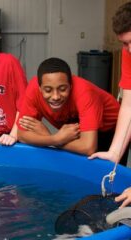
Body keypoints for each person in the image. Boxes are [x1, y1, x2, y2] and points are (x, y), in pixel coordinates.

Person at [17, 57, 123, 161]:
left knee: (108, 174)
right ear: (39, 88)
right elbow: (22, 135)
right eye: (48, 90)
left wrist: (51, 138)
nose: (56, 97)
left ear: (70, 86)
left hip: (112, 129)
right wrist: (55, 139)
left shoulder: (84, 93)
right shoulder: (33, 90)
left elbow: (88, 147)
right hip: (78, 131)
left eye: (62, 89)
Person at [89, 2, 131, 208]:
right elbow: (129, 106)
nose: (129, 49)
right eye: (124, 43)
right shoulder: (129, 53)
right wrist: (115, 152)